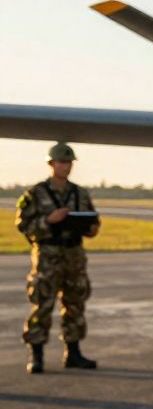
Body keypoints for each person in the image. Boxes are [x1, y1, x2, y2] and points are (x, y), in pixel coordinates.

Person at [14, 143, 100, 373]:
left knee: (75, 304)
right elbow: (23, 224)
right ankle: (37, 354)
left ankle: (73, 353)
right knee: (42, 304)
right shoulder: (35, 193)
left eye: (69, 162)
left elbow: (92, 221)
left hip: (74, 255)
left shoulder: (80, 193)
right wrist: (49, 220)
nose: (66, 166)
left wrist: (91, 228)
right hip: (47, 256)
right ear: (51, 164)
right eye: (62, 162)